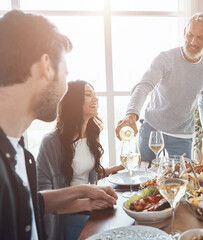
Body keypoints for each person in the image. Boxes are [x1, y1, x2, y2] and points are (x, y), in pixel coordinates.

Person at [0, 10, 118, 240]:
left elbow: (33, 203)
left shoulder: (17, 149)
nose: (65, 86)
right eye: (65, 73)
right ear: (46, 65)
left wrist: (85, 191)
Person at [115, 12, 203, 162]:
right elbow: (144, 86)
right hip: (152, 129)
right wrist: (131, 114)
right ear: (184, 33)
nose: (193, 42)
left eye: (200, 37)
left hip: (182, 135)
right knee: (142, 176)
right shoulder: (166, 58)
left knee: (181, 181)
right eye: (190, 35)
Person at [37, 80, 123, 239]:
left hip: (90, 206)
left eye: (95, 95)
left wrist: (117, 168)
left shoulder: (90, 135)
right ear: (73, 101)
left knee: (127, 221)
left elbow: (85, 174)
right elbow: (42, 201)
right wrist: (88, 203)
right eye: (88, 94)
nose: (96, 99)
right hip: (67, 215)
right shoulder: (51, 142)